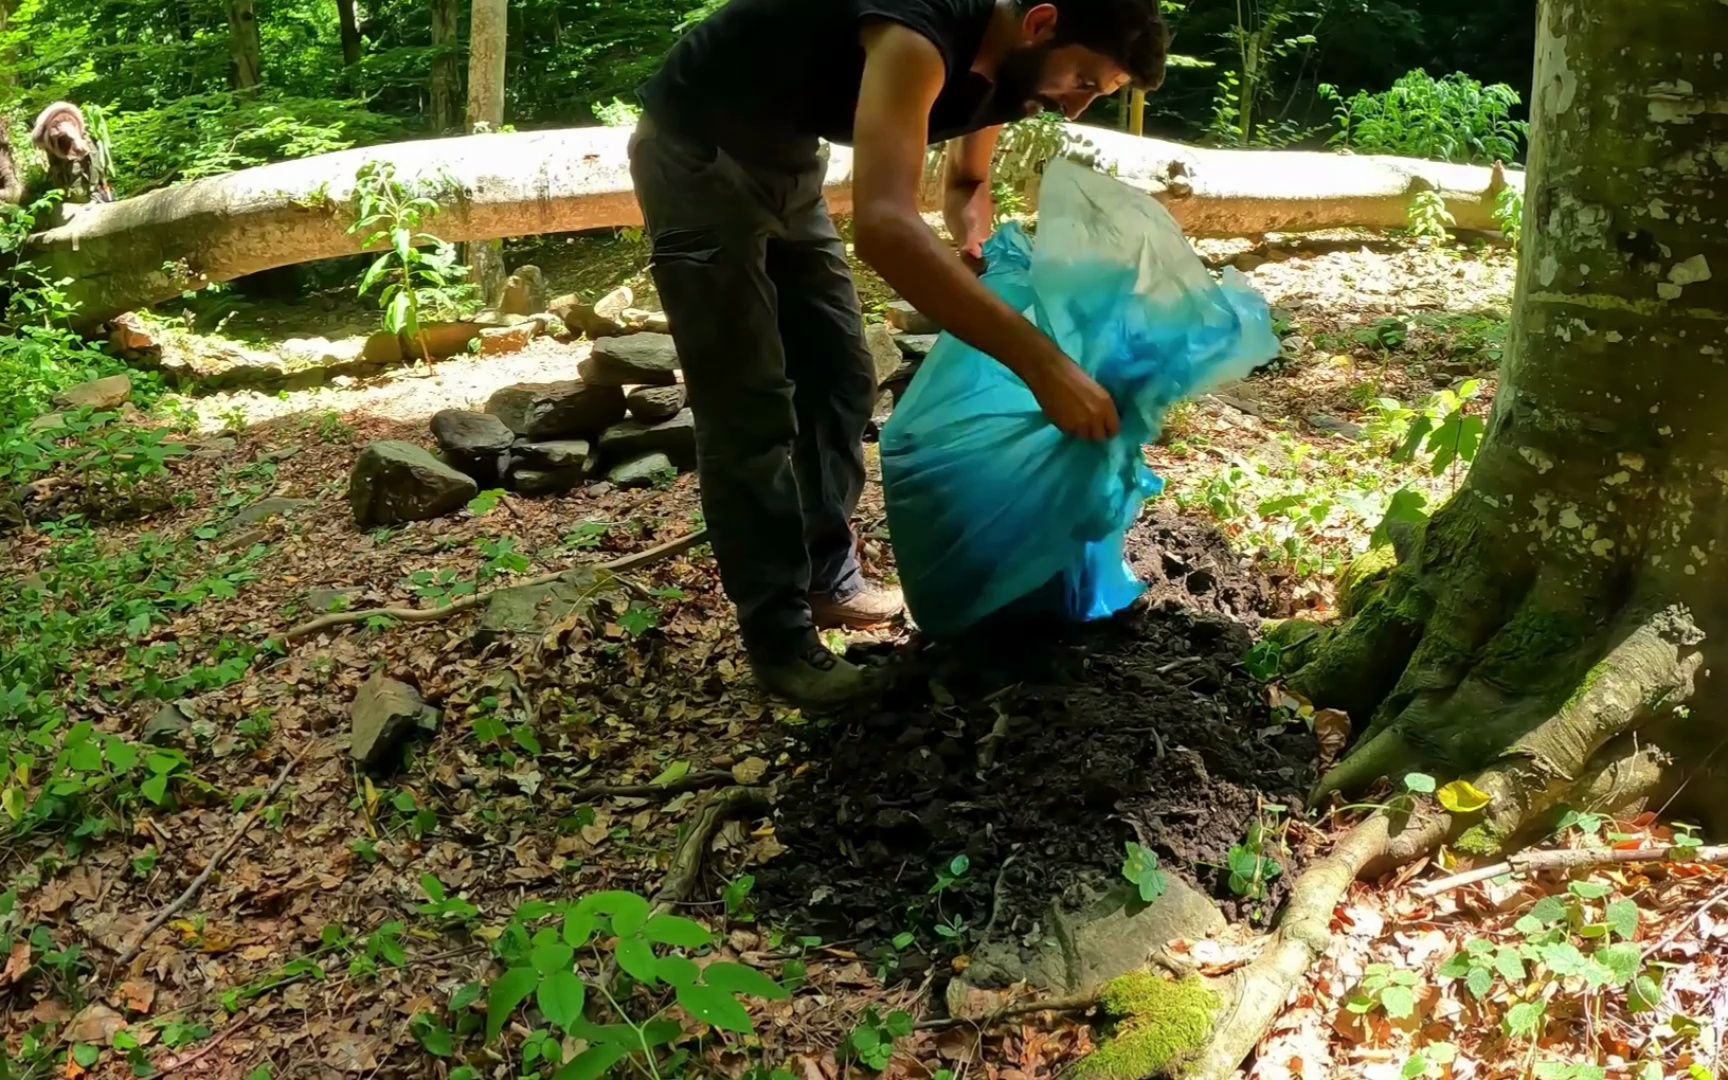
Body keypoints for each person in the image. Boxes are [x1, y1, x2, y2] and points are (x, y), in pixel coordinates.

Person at [630, 0, 1168, 706]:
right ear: (1040, 22)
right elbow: (884, 227)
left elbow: (967, 174)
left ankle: (826, 580)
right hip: (698, 150)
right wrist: (1042, 365)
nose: (1074, 109)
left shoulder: (1016, 65)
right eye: (1084, 81)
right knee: (749, 403)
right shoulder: (921, 32)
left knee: (843, 379)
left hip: (789, 156)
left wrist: (972, 213)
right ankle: (780, 640)